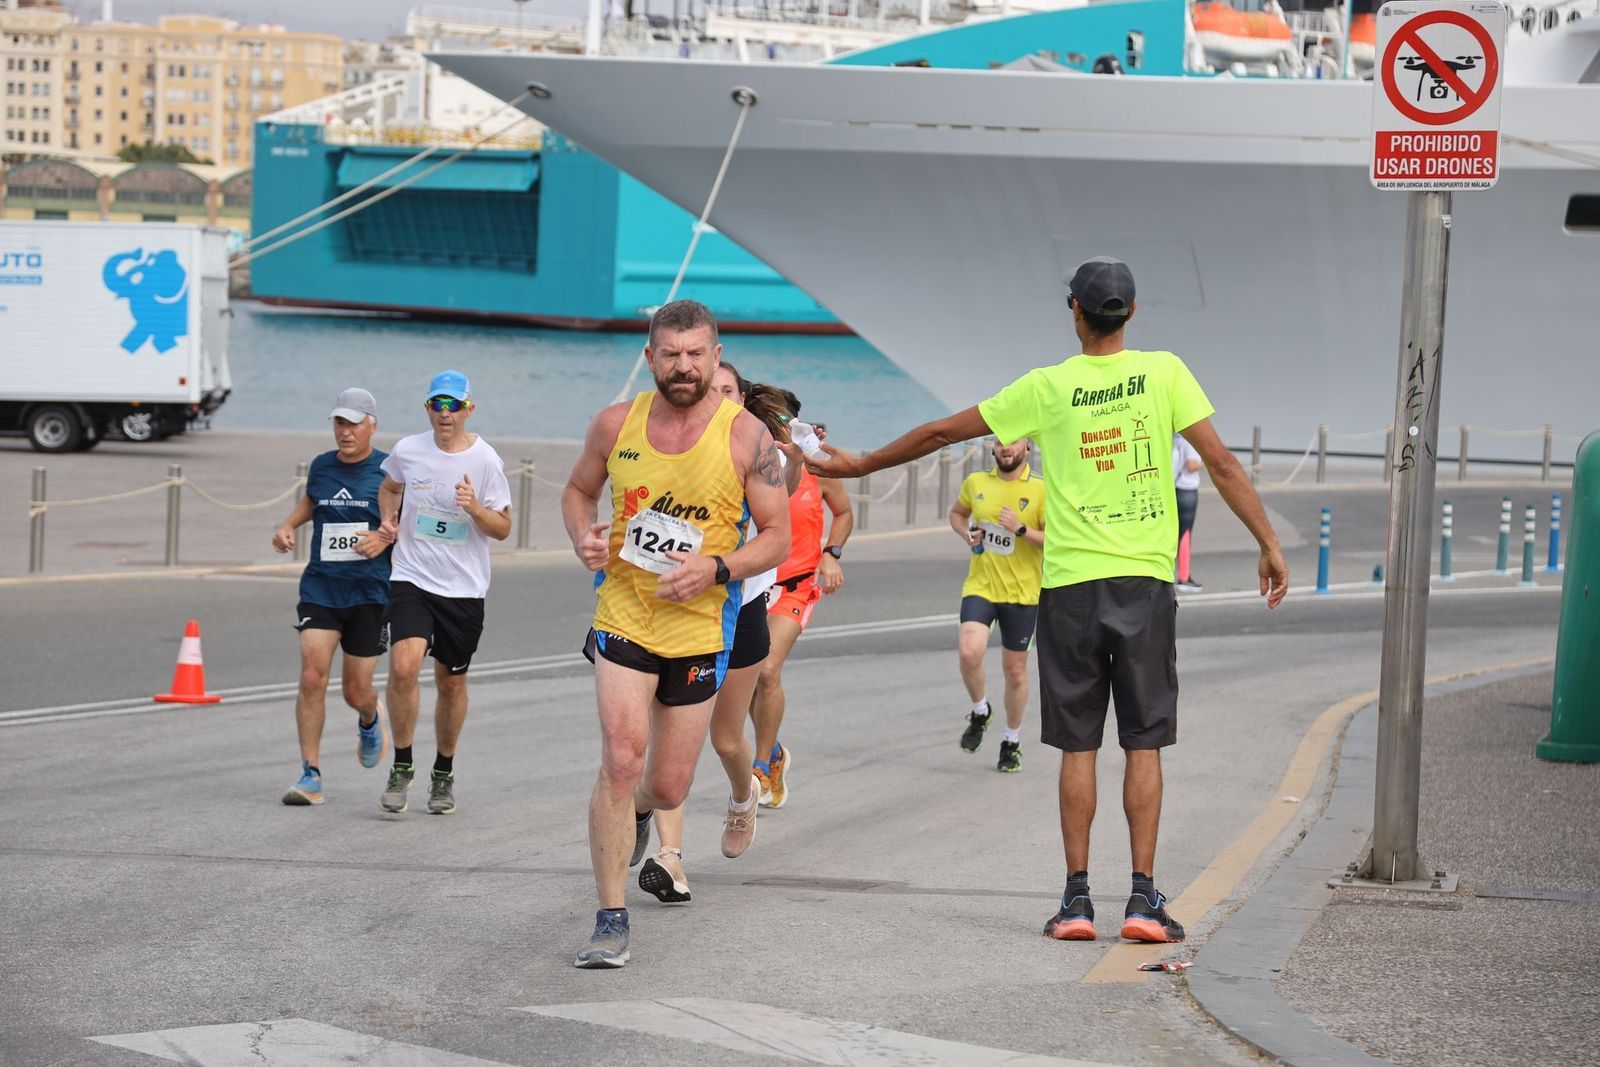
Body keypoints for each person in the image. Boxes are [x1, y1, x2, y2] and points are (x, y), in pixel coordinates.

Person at [807, 256, 1288, 944]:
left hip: (1066, 587)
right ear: (1134, 311)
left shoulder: (1048, 386)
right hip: (1145, 583)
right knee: (1144, 741)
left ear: (1076, 313)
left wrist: (859, 464)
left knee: (1079, 744)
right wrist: (1267, 542)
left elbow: (945, 431)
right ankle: (1144, 901)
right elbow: (1223, 463)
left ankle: (1076, 901)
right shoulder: (1166, 373)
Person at [563, 301, 790, 968]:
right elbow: (578, 491)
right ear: (650, 356)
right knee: (622, 755)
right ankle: (610, 916)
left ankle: (637, 811)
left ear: (716, 357)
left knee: (665, 785)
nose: (684, 366)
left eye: (696, 354)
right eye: (671, 354)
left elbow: (776, 535)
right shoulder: (615, 424)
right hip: (625, 615)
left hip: (697, 627)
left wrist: (717, 567)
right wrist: (583, 535)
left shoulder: (749, 438)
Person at [637, 362, 800, 905]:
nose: (717, 400)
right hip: (675, 610)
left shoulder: (758, 454)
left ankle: (743, 795)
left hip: (742, 609)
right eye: (712, 391)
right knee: (667, 740)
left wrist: (791, 453)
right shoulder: (673, 446)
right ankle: (671, 858)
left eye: (728, 391)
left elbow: (784, 501)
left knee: (726, 738)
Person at [375, 371, 513, 816]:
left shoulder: (486, 460)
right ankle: (401, 764)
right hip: (412, 577)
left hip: (463, 589)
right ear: (427, 409)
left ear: (469, 408)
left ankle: (443, 771)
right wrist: (388, 520)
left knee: (451, 683)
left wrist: (474, 509)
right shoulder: (408, 450)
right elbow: (390, 485)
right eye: (438, 404)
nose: (445, 413)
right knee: (402, 666)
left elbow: (504, 528)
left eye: (454, 405)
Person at [272, 388, 393, 806]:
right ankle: (311, 774)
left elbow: (408, 523)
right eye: (339, 423)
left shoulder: (390, 471)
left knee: (355, 691)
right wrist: (288, 525)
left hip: (369, 592)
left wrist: (383, 537)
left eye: (354, 424)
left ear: (372, 425)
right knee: (311, 677)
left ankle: (369, 717)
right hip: (321, 587)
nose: (345, 432)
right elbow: (313, 501)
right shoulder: (322, 466)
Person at [752, 389, 854, 809]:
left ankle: (760, 766)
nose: (777, 428)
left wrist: (832, 554)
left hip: (796, 583)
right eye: (768, 421)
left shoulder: (817, 466)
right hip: (753, 584)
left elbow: (844, 513)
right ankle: (774, 752)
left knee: (767, 669)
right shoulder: (751, 465)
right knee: (744, 678)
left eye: (783, 420)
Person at [949, 436, 1045, 773]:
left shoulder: (1041, 489)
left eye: (1013, 444)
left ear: (1027, 448)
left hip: (1022, 594)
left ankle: (1011, 741)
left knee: (1015, 672)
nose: (1006, 448)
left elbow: (1056, 540)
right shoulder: (976, 482)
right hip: (982, 586)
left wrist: (1020, 529)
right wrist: (966, 533)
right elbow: (958, 514)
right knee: (968, 651)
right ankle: (980, 711)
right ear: (992, 448)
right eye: (1000, 443)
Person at [1173, 433, 1203, 591]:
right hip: (1187, 490)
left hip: (1176, 489)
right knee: (1185, 534)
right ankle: (1184, 577)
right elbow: (1191, 466)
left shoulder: (1177, 441)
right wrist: (1206, 462)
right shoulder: (1190, 443)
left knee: (1175, 534)